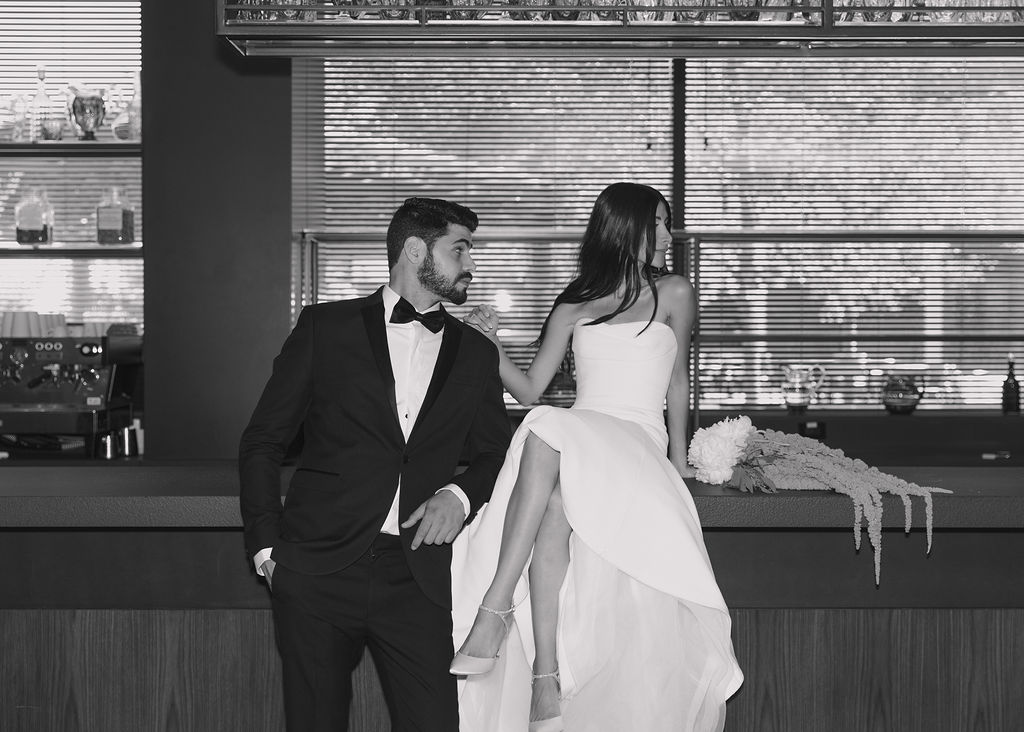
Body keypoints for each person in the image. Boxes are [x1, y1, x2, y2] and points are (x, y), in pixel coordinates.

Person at [449, 182, 743, 732]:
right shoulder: (574, 306)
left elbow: (677, 381)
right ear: (623, 227)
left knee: (547, 431)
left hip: (636, 437)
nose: (666, 234)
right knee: (554, 490)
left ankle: (493, 610)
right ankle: (546, 678)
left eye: (666, 222)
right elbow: (533, 390)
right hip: (579, 433)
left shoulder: (675, 292)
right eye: (656, 222)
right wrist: (489, 347)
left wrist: (680, 457)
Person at [239, 197, 511, 732]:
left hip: (417, 576)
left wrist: (459, 495)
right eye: (460, 250)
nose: (471, 266)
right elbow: (263, 441)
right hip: (316, 569)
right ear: (415, 250)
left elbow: (495, 454)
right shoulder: (325, 328)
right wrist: (268, 549)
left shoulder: (476, 353)